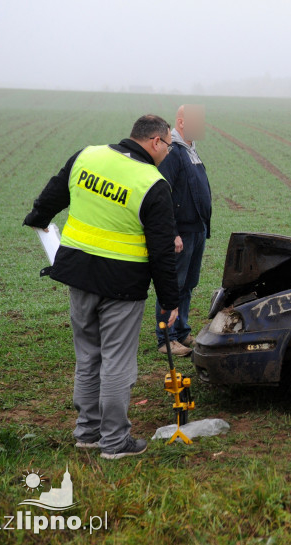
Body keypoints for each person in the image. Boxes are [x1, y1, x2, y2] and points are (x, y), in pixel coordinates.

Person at [23, 115, 181, 460]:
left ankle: (87, 433)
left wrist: (37, 218)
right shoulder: (152, 183)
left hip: (78, 278)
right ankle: (114, 442)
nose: (168, 153)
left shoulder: (88, 156)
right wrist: (170, 301)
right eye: (169, 146)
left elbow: (51, 197)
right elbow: (162, 251)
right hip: (122, 286)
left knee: (88, 355)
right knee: (117, 362)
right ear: (156, 142)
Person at [155, 104, 212, 357]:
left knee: (188, 284)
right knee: (173, 285)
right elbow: (163, 193)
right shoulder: (173, 152)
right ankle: (166, 339)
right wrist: (173, 231)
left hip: (197, 230)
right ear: (180, 122)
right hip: (182, 233)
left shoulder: (191, 150)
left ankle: (182, 330)